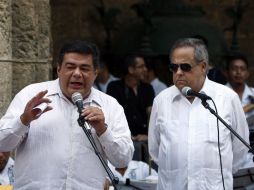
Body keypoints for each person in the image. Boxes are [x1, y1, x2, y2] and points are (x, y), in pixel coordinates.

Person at [0, 40, 134, 189]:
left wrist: (103, 130)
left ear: (96, 73)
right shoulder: (31, 95)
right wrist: (24, 120)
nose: (77, 74)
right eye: (70, 67)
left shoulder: (110, 106)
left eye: (84, 68)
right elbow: (2, 143)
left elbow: (123, 160)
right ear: (58, 69)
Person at [148, 38, 251, 190]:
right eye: (174, 67)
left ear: (203, 67)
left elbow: (240, 149)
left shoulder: (227, 98)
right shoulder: (161, 101)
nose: (179, 73)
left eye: (185, 67)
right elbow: (155, 151)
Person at [107, 54, 155, 141]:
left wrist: (149, 136)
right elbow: (111, 115)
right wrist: (123, 136)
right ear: (131, 70)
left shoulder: (147, 88)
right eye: (141, 67)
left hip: (144, 140)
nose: (145, 69)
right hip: (120, 139)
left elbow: (151, 113)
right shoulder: (114, 87)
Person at [225, 52, 254, 144]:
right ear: (226, 72)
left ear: (247, 73)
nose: (238, 72)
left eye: (242, 69)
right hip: (229, 145)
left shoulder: (253, 93)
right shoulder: (220, 95)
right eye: (234, 68)